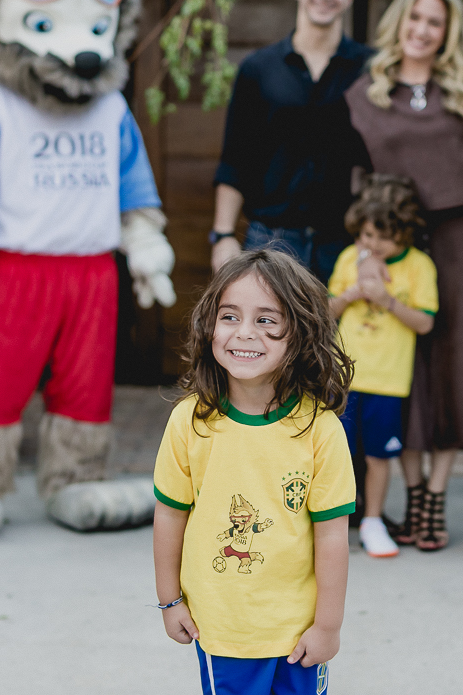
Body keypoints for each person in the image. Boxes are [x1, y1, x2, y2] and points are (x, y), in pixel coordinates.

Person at [343, 0, 463, 552]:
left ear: (448, 33)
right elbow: (353, 181)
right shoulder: (367, 94)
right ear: (399, 22)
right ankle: (410, 490)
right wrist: (363, 253)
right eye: (416, 18)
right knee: (405, 373)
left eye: (435, 22)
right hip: (396, 246)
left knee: (453, 370)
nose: (422, 30)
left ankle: (433, 500)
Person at [152, 250, 355, 695]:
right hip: (223, 629)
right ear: (209, 326)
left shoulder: (321, 429)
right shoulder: (189, 421)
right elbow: (169, 514)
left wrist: (328, 625)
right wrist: (169, 600)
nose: (244, 332)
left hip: (299, 631)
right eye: (230, 316)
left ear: (300, 334)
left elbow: (332, 535)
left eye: (266, 320)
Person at [210, 0, 372, 283]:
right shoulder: (259, 68)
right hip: (271, 238)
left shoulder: (368, 69)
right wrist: (223, 235)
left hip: (345, 242)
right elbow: (235, 157)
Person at [328, 176, 438, 558]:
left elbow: (425, 323)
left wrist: (387, 301)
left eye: (383, 238)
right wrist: (352, 293)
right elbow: (326, 310)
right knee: (336, 454)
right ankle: (331, 525)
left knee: (379, 456)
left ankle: (373, 521)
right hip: (345, 378)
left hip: (389, 381)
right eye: (367, 235)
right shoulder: (349, 258)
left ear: (404, 234)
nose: (372, 244)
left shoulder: (419, 266)